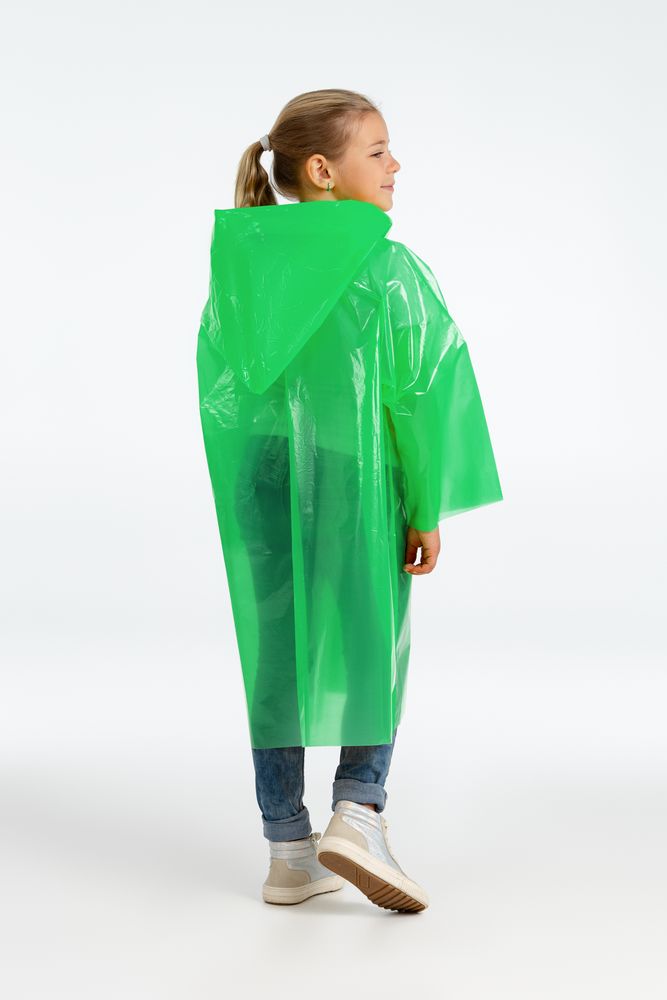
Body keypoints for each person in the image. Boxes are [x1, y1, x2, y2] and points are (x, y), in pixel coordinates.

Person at [196, 88, 503, 913]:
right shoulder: (384, 265)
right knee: (368, 633)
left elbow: (223, 379)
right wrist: (425, 504)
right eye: (377, 150)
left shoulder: (243, 260)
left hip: (261, 473)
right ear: (322, 170)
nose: (395, 163)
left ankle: (287, 849)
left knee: (275, 648)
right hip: (351, 473)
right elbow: (418, 391)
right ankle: (359, 812)